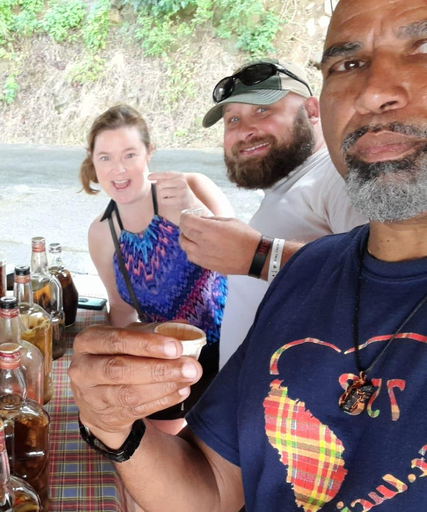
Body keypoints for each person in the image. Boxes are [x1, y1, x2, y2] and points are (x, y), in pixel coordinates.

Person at [69, 0, 427, 509]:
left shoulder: (326, 183)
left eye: (422, 46)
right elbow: (213, 487)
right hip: (216, 399)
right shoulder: (310, 268)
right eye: (348, 64)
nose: (374, 92)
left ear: (309, 109)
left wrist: (256, 254)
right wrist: (111, 425)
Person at [178, 58, 366, 368]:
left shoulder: (339, 177)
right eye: (232, 120)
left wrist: (258, 255)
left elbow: (382, 288)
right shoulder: (292, 185)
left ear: (312, 110)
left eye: (262, 111)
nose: (244, 132)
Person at [80, 104, 232, 434]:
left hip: (232, 353)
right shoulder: (102, 233)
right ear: (92, 162)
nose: (118, 169)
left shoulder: (193, 186)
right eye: (105, 157)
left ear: (149, 153)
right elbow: (121, 311)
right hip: (166, 365)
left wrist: (191, 211)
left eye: (129, 155)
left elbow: (242, 260)